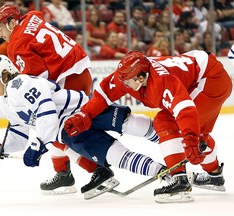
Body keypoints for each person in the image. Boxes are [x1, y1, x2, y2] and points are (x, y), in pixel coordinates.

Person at [0, 55, 168, 199]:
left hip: (82, 110)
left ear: (4, 74)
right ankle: (165, 172)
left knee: (129, 123)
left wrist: (39, 144)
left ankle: (176, 141)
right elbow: (18, 137)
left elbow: (45, 109)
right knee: (113, 155)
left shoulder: (20, 84)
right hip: (68, 133)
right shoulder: (6, 104)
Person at [64, 50, 232, 203]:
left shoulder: (162, 81)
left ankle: (180, 181)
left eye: (128, 82)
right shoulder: (127, 75)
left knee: (166, 123)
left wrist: (189, 138)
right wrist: (84, 114)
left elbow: (185, 110)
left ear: (142, 78)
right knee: (198, 136)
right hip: (198, 73)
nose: (124, 85)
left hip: (210, 79)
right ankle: (215, 175)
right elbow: (103, 95)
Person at [0, 3, 97, 194]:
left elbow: (38, 79)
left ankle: (97, 170)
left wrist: (24, 96)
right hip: (81, 72)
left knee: (55, 129)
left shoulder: (16, 45)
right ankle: (63, 172)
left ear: (13, 23)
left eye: (0, 30)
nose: (1, 36)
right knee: (60, 128)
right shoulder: (32, 16)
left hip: (67, 78)